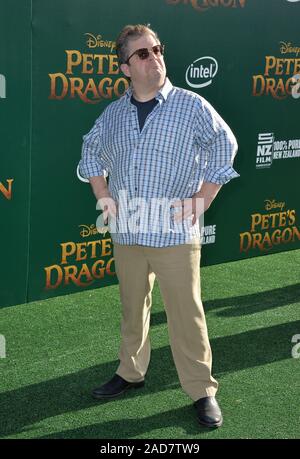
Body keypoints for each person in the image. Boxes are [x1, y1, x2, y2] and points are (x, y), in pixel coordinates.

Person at [78, 24, 239, 428]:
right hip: (128, 232)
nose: (155, 58)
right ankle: (130, 372)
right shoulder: (114, 114)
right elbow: (90, 151)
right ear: (125, 68)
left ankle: (202, 390)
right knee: (133, 309)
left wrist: (202, 200)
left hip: (173, 235)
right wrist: (103, 194)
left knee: (187, 315)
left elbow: (226, 146)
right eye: (143, 54)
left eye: (157, 49)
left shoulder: (191, 106)